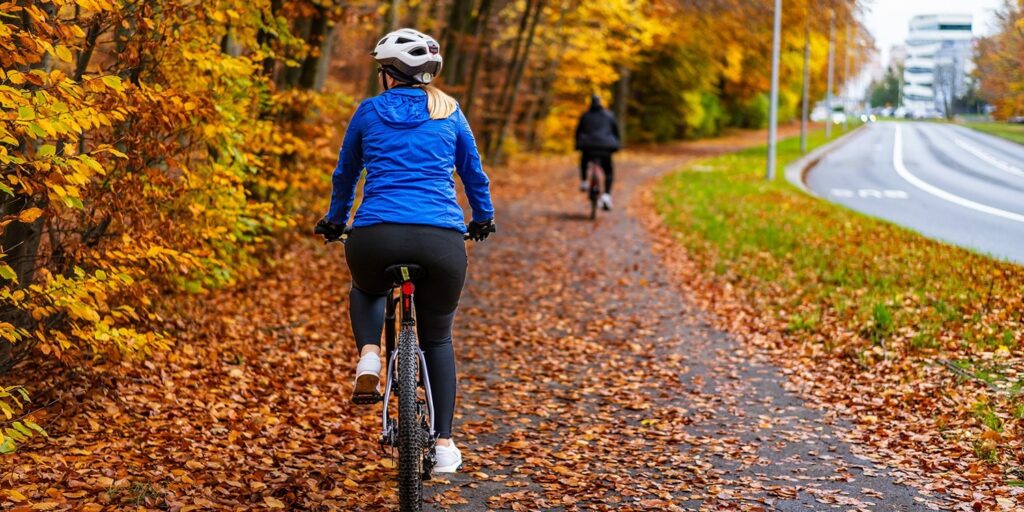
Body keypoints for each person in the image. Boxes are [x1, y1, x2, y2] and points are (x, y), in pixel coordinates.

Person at [314, 28, 495, 474]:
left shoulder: (368, 111)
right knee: (438, 338)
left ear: (389, 74)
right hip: (441, 240)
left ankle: (369, 355)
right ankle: (445, 444)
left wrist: (336, 220)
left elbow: (346, 174)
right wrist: (483, 218)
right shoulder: (450, 111)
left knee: (367, 288)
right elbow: (474, 175)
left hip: (376, 236)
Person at [574, 94, 621, 210]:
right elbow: (616, 132)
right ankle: (606, 196)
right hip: (605, 147)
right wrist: (616, 144)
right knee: (608, 171)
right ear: (601, 103)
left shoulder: (585, 116)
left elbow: (578, 132)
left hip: (588, 147)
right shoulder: (609, 115)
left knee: (584, 160)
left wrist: (577, 144)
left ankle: (584, 181)